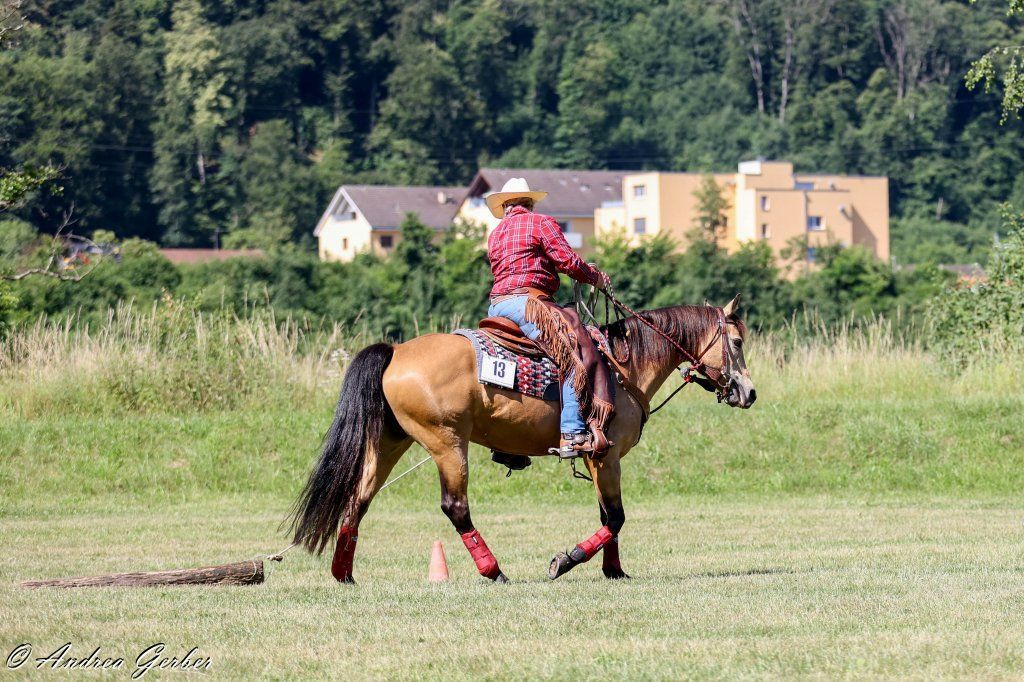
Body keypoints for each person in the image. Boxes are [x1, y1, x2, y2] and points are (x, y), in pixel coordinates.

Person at [485, 177, 615, 456]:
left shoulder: (495, 234)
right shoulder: (540, 222)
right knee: (572, 351)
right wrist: (594, 277)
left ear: (505, 206)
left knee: (517, 361)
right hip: (528, 304)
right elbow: (568, 261)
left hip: (496, 306)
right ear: (529, 203)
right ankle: (572, 433)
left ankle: (509, 442)